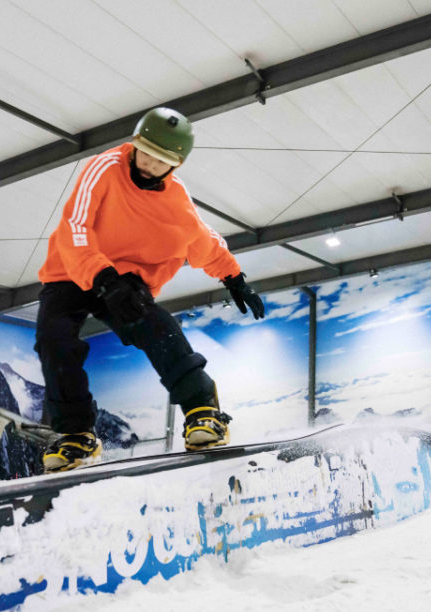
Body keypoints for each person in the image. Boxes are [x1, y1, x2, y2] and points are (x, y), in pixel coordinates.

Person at [35, 107, 265, 472]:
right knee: (54, 337)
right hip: (70, 269)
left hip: (125, 278)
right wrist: (102, 277)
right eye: (145, 154)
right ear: (135, 144)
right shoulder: (103, 168)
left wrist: (234, 277)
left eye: (161, 162)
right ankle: (76, 436)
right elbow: (74, 226)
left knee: (155, 325)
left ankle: (202, 411)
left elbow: (202, 241)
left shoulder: (175, 202)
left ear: (175, 166)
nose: (149, 166)